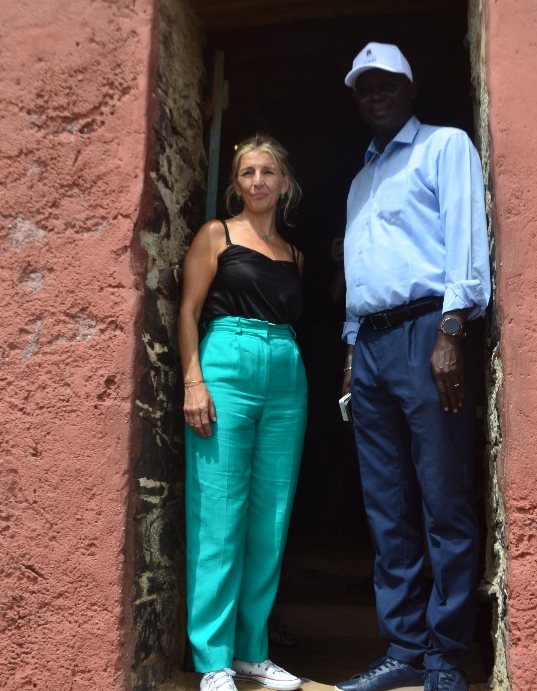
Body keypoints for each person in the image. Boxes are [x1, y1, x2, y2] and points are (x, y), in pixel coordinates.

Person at [334, 43, 491, 691]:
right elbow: (362, 275)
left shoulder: (444, 148)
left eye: (387, 85)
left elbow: (466, 238)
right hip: (369, 348)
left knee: (443, 496)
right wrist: (350, 351)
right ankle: (403, 648)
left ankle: (446, 656)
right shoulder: (361, 180)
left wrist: (453, 328)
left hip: (429, 333)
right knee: (387, 507)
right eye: (365, 88)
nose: (376, 96)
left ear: (411, 86)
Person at [179, 134, 309, 691]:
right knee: (219, 513)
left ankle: (252, 651)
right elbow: (187, 310)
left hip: (285, 367)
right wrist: (193, 381)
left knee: (270, 517)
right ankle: (214, 660)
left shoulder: (295, 255)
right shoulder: (217, 235)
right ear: (236, 183)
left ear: (285, 183)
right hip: (226, 360)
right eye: (247, 173)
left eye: (267, 173)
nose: (257, 181)